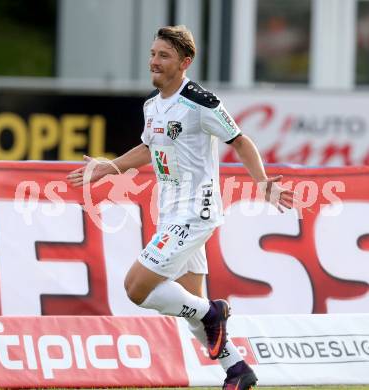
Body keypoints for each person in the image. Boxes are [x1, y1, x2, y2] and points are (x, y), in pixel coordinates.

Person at [67, 25, 295, 390]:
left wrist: (263, 181)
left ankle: (213, 313)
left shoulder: (201, 102)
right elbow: (147, 149)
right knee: (191, 305)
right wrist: (108, 168)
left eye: (164, 56)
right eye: (153, 54)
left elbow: (240, 141)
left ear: (184, 62)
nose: (154, 62)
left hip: (195, 213)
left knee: (136, 288)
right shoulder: (152, 105)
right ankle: (237, 370)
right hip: (170, 211)